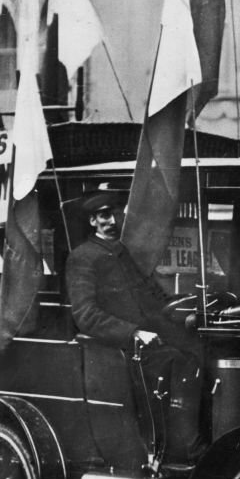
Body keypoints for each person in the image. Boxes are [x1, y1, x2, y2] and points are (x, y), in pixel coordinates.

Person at [65, 190, 204, 464]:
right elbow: (86, 314)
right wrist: (133, 332)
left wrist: (189, 312)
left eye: (116, 213)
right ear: (93, 221)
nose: (112, 221)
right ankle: (180, 446)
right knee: (179, 361)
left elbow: (155, 299)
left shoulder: (121, 253)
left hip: (149, 341)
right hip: (119, 350)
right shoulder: (83, 258)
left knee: (200, 350)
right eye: (104, 215)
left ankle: (194, 439)